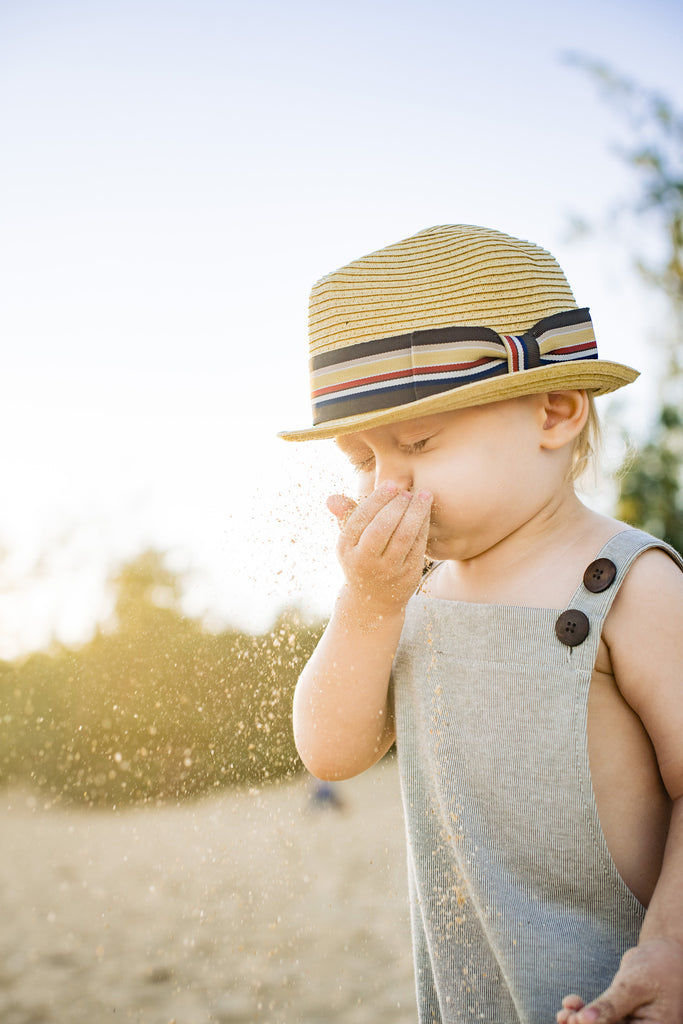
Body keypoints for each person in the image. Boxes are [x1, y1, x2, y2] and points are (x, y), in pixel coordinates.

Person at [278, 224, 683, 1024]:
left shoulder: (629, 588)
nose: (387, 484)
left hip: (625, 992)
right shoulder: (413, 601)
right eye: (362, 461)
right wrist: (366, 606)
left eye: (418, 442)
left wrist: (670, 947)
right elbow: (330, 748)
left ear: (555, 411)